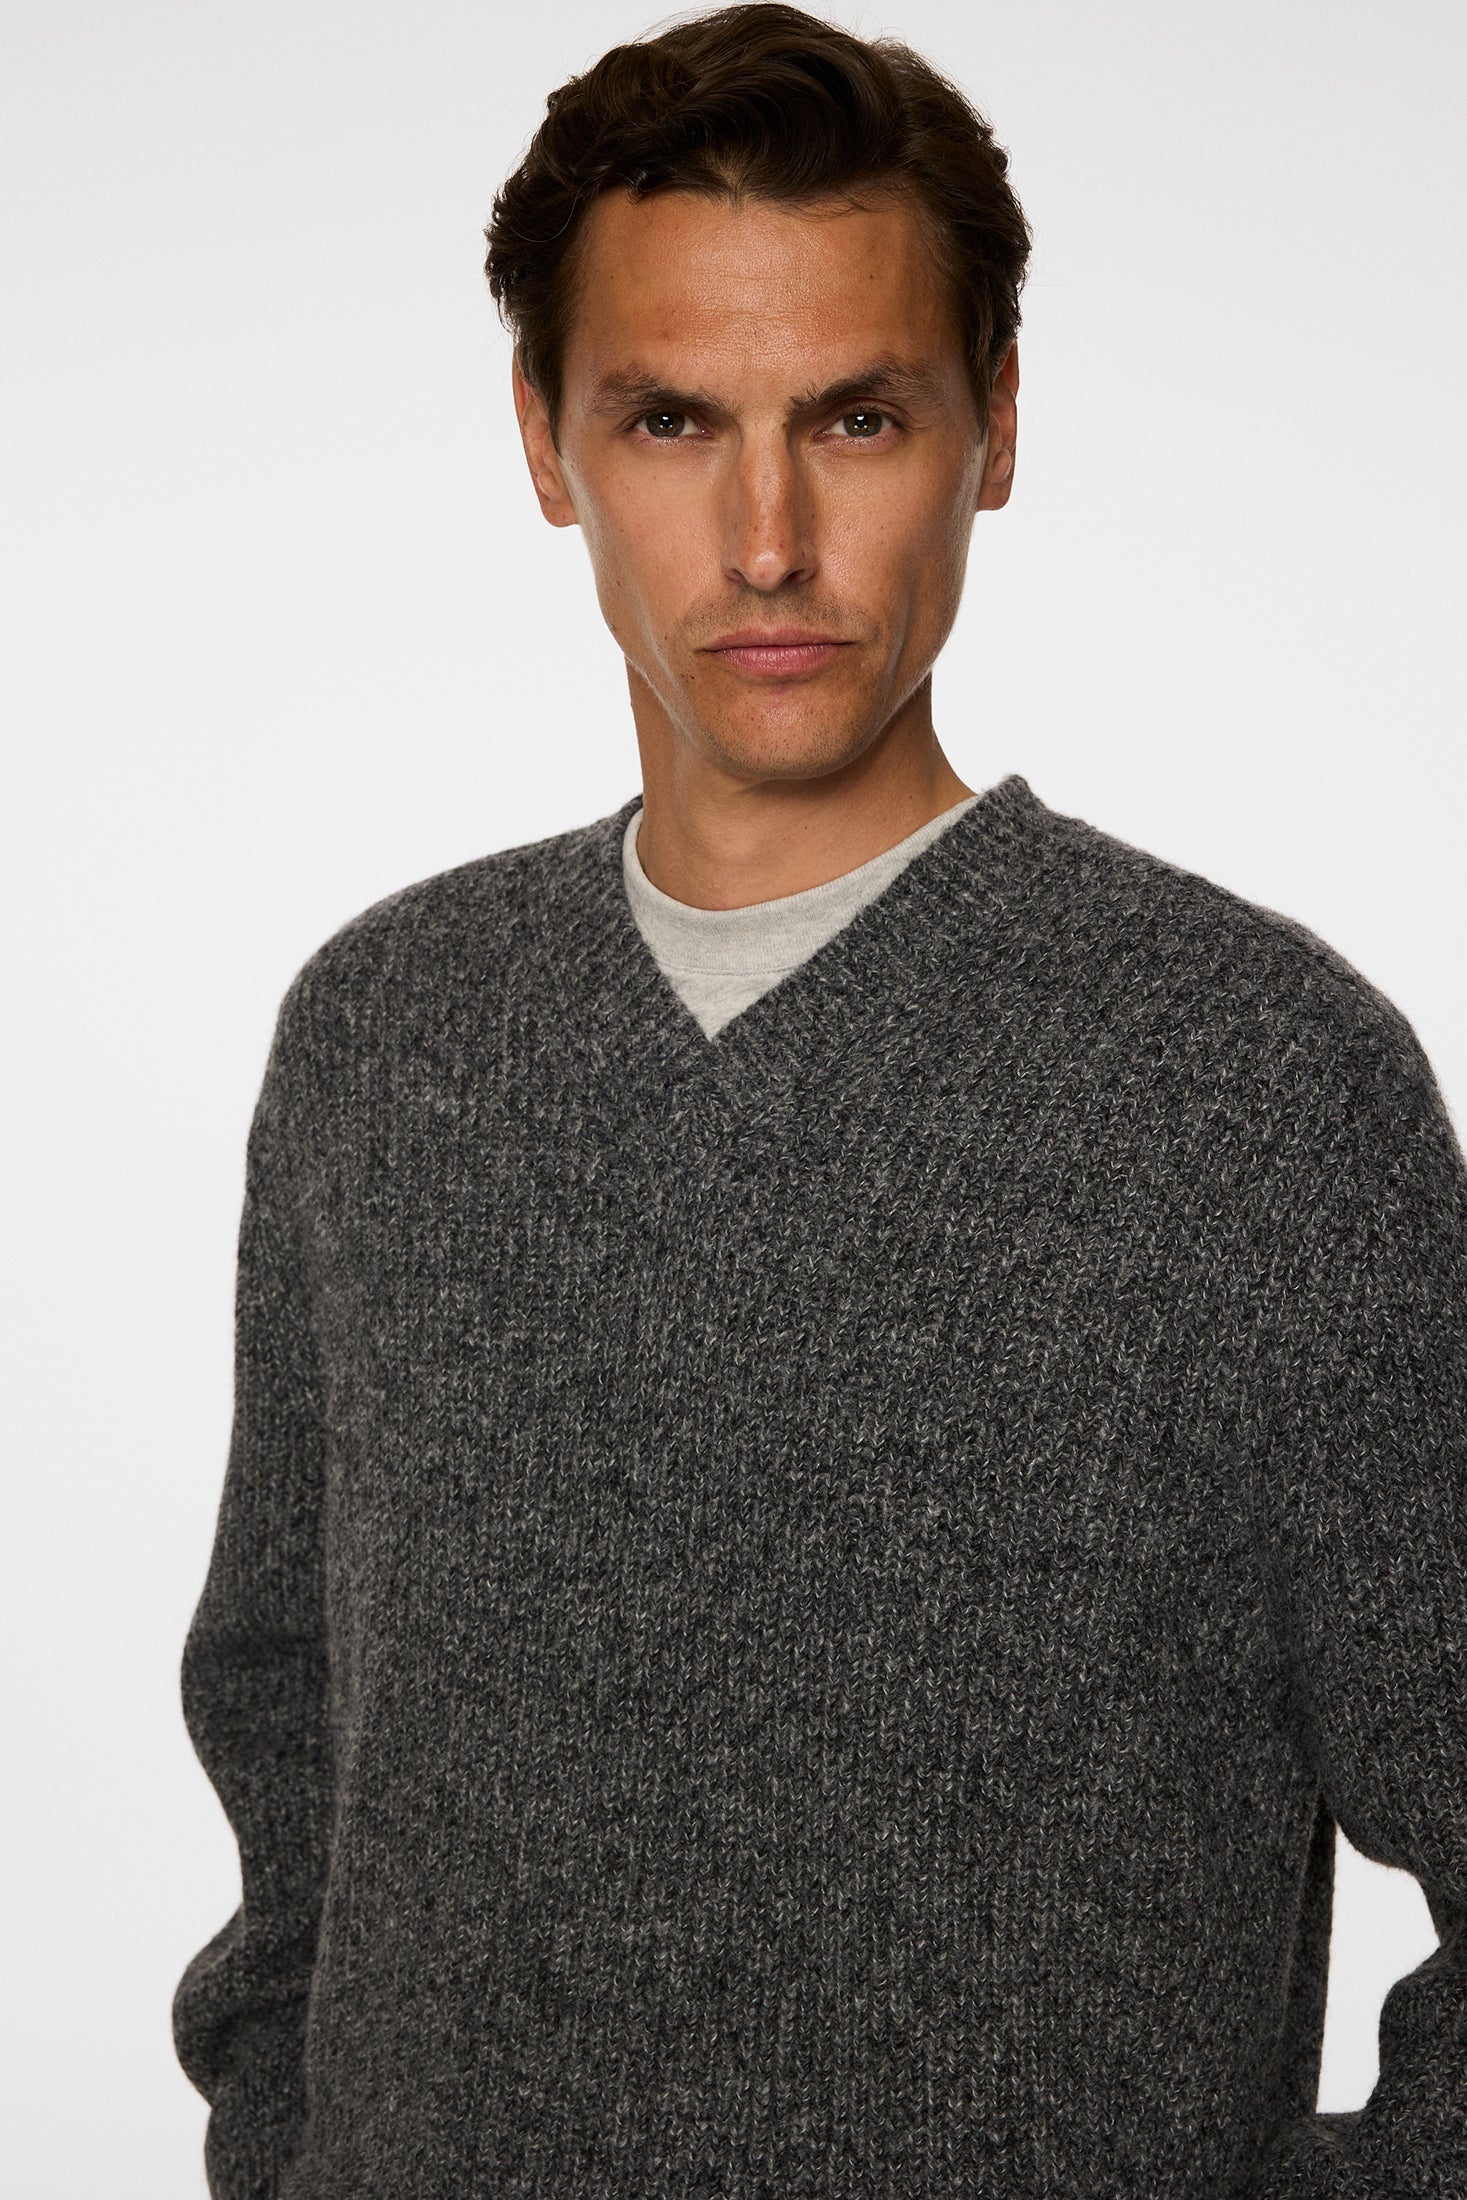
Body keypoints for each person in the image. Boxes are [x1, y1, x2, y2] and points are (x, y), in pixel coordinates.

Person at [170, 6, 1467, 2195]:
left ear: (993, 425)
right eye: (671, 418)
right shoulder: (387, 1040)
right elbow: (290, 1742)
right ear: (545, 440)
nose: (765, 540)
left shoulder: (1258, 1083)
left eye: (855, 418)